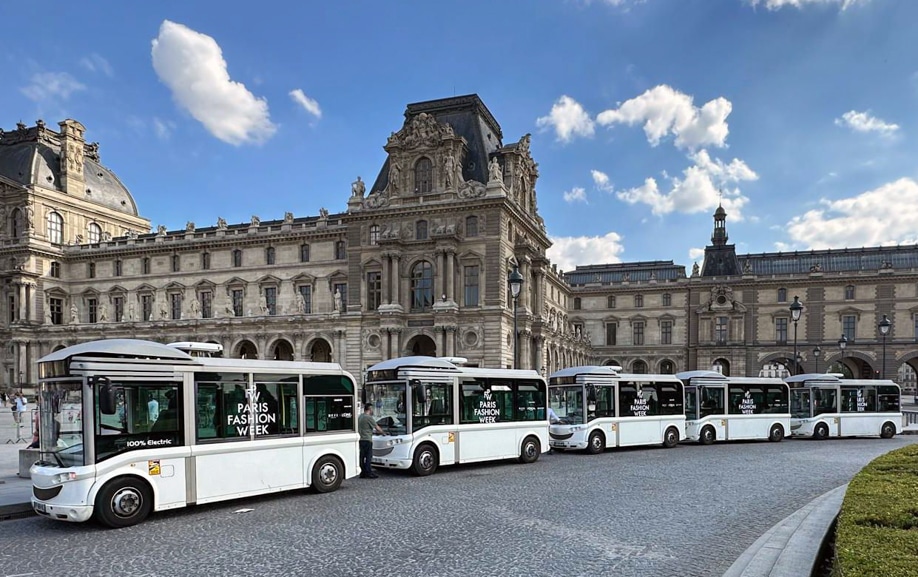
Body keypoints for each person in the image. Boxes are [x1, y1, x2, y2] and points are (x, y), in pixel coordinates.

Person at [357, 403, 386, 479]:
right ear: (369, 409)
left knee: (362, 457)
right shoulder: (369, 418)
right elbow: (377, 427)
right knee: (368, 457)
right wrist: (383, 433)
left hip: (360, 439)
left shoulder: (360, 417)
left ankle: (362, 472)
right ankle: (369, 472)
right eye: (372, 409)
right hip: (367, 439)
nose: (372, 411)